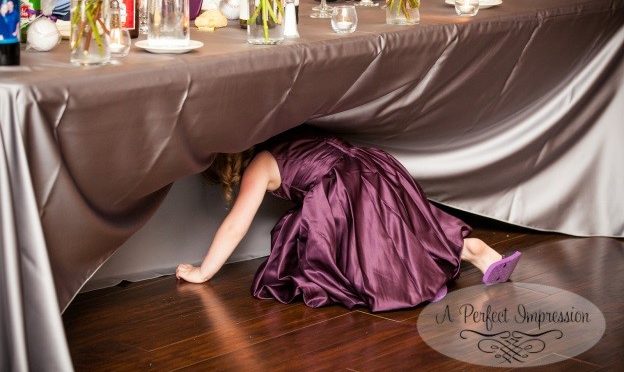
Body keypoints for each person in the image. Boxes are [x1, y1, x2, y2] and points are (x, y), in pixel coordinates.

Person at [176, 127, 521, 312]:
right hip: (374, 164)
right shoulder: (290, 132)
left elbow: (237, 224)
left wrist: (203, 271)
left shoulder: (260, 165)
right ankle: (475, 250)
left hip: (344, 186)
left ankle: (412, 283)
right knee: (408, 228)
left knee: (365, 244)